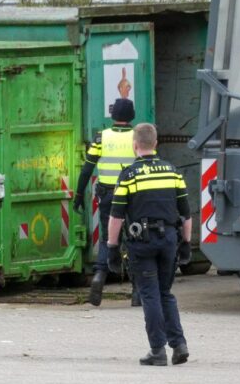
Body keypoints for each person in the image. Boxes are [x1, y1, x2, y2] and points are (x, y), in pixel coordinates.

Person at [106, 123, 192, 366]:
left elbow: (116, 217)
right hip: (169, 241)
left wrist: (112, 247)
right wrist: (185, 243)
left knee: (150, 295)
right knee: (165, 293)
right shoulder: (172, 172)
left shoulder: (128, 175)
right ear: (156, 144)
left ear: (135, 145)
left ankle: (157, 350)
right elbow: (186, 214)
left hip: (142, 243)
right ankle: (179, 344)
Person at [73, 98, 139, 306]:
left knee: (107, 237)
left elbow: (87, 168)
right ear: (132, 116)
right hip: (134, 196)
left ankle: (99, 276)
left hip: (108, 195)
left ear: (113, 116)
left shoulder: (102, 137)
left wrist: (78, 195)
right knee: (136, 238)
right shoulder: (138, 137)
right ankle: (137, 291)